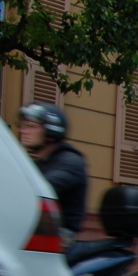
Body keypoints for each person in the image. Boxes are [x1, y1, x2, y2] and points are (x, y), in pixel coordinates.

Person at [19, 102, 87, 241]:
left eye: (31, 126)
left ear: (51, 131)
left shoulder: (70, 162)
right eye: (23, 126)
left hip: (59, 237)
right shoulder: (41, 162)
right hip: (37, 230)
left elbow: (40, 188)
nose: (23, 131)